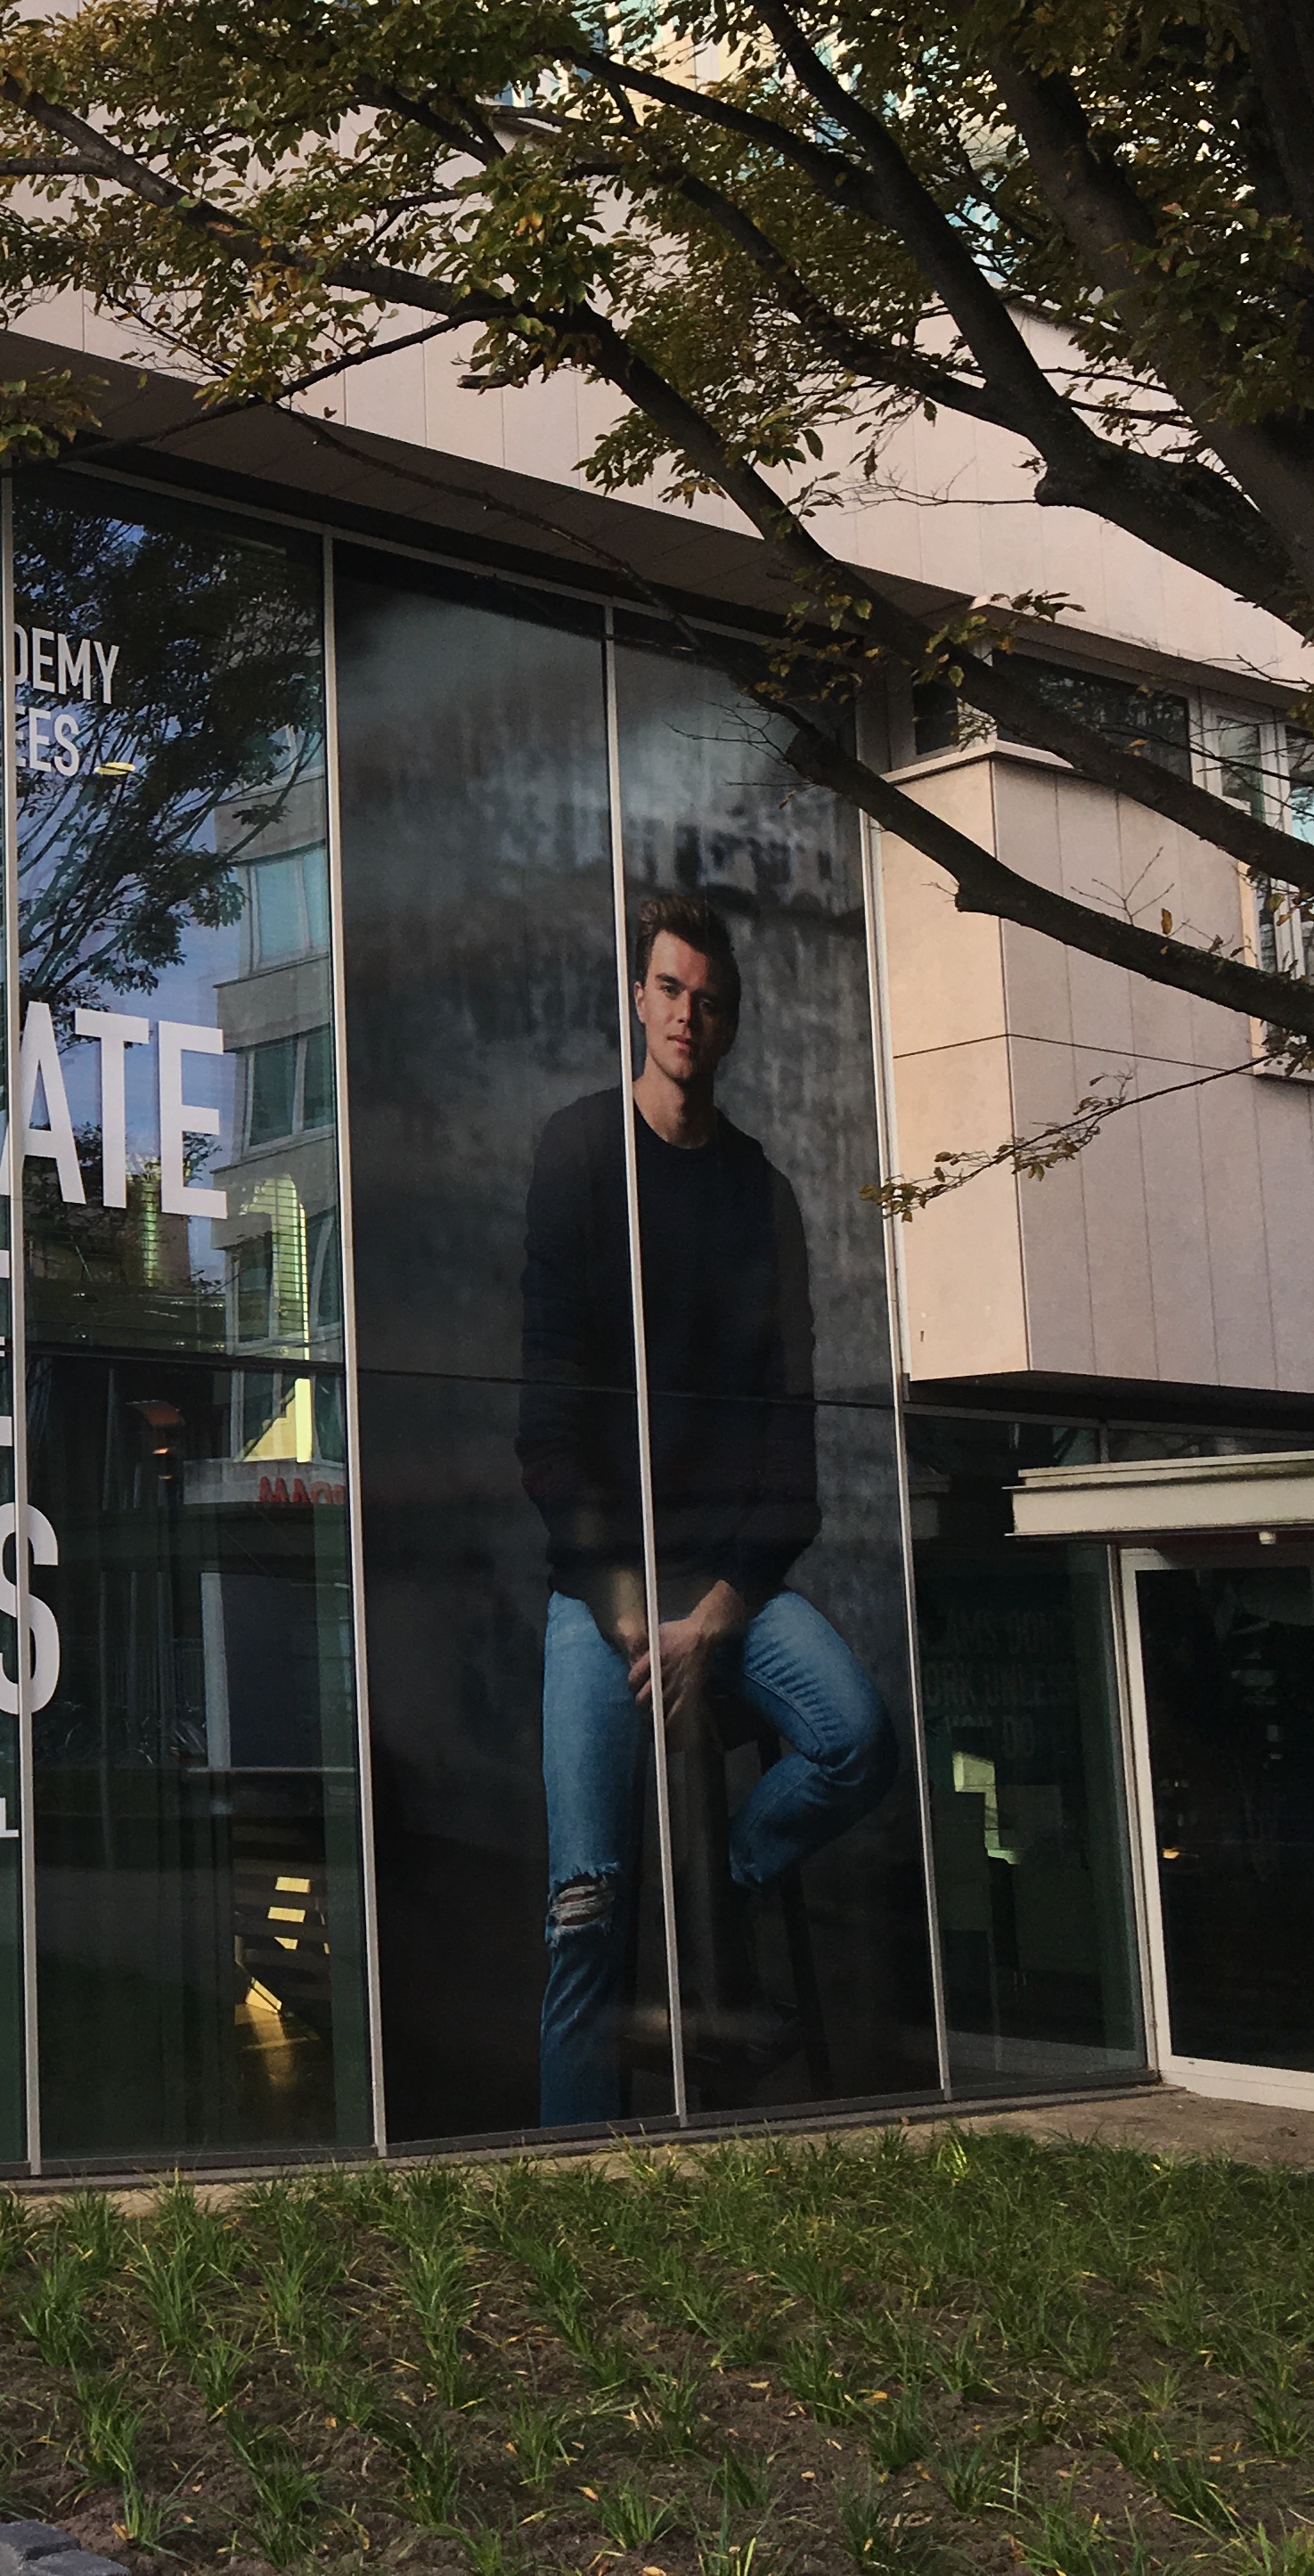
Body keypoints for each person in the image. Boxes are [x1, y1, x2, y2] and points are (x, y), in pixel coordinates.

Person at [516, 893, 894, 2125]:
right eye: (671, 989)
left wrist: (714, 1619)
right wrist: (629, 1609)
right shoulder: (580, 1153)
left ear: (730, 1025)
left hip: (732, 1591)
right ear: (640, 999)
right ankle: (573, 2182)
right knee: (585, 1905)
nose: (689, 1014)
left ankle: (720, 1894)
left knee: (854, 1739)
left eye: (711, 1000)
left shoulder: (760, 1195)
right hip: (607, 1596)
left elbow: (792, 1457)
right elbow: (546, 1427)